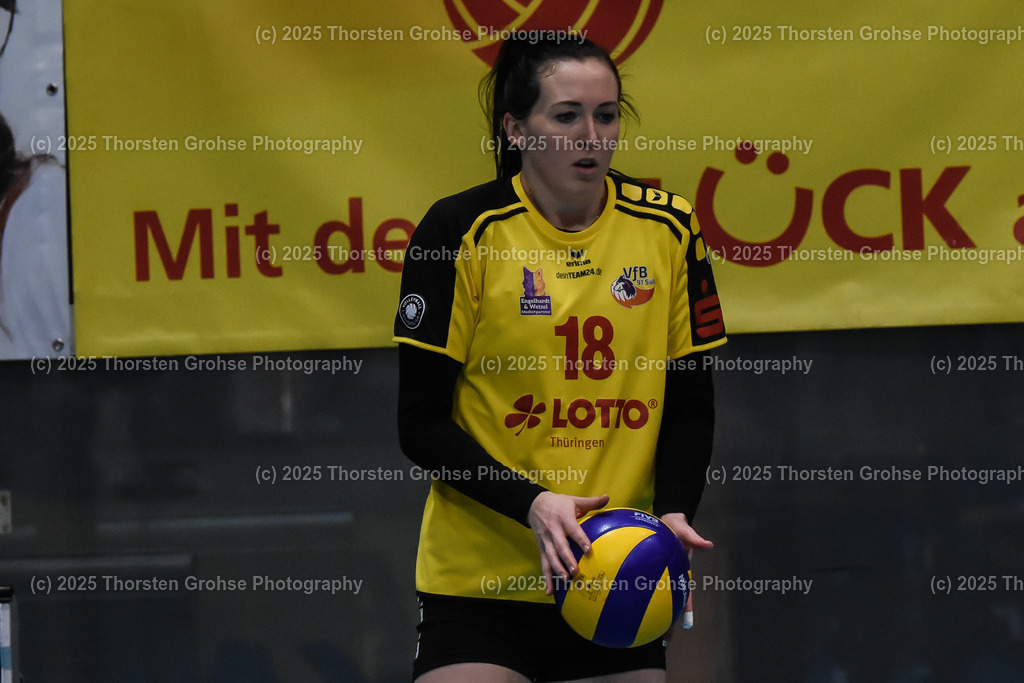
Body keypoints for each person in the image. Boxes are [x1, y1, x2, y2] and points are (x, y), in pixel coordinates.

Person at [394, 34, 727, 682]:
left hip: (612, 573)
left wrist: (674, 512)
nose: (592, 135)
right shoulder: (459, 231)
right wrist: (534, 502)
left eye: (607, 115)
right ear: (516, 129)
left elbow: (690, 405)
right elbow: (420, 424)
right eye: (567, 115)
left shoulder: (669, 228)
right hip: (480, 583)